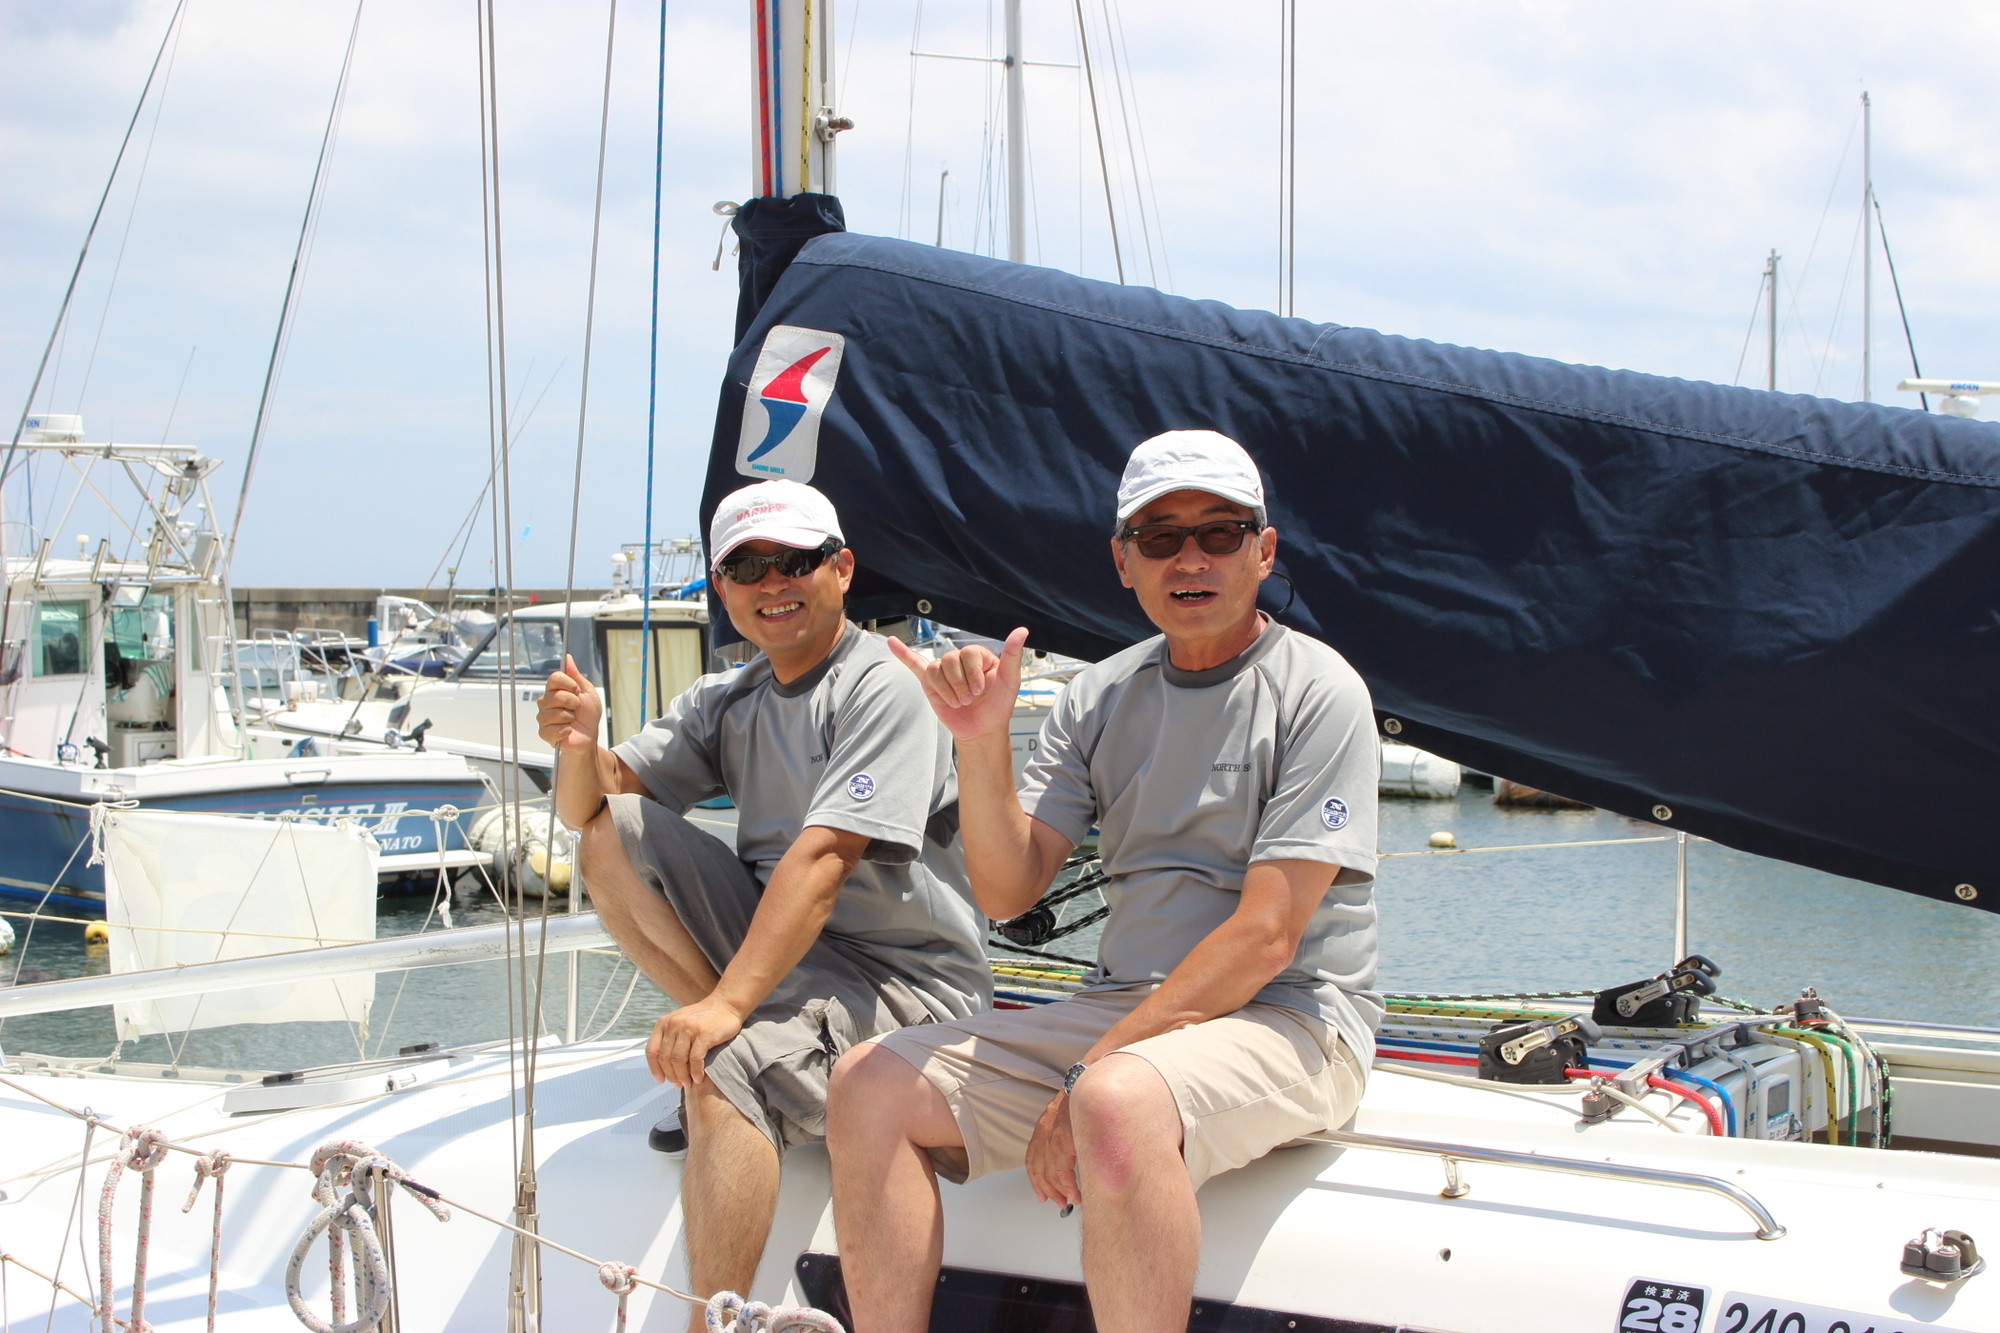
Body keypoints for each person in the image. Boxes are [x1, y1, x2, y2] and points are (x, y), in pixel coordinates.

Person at [827, 430, 1381, 1333]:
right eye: (1160, 538)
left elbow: (1267, 937)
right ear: (1124, 562)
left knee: (1114, 1100)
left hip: (1294, 1017)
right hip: (1128, 1010)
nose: (1190, 558)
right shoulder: (1098, 697)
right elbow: (1007, 891)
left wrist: (1093, 1068)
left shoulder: (1320, 691)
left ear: (1263, 551)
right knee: (865, 1083)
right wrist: (979, 741)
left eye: (1220, 532)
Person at [538, 479, 989, 1329]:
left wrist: (725, 1009)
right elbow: (587, 807)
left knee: (722, 1061)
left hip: (907, 984)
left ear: (842, 569)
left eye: (796, 561)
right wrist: (579, 742)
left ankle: (733, 1100)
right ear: (722, 587)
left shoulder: (883, 686)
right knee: (608, 835)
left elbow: (824, 860)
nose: (772, 582)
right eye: (747, 567)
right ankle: (747, 1060)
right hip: (794, 961)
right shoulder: (731, 697)